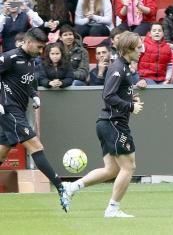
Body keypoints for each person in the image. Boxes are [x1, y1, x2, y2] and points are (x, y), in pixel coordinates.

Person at [62, 32, 144, 218]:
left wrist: (132, 97)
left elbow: (119, 92)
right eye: (138, 47)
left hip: (108, 123)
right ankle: (112, 209)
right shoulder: (118, 68)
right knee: (129, 167)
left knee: (112, 170)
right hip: (113, 123)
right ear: (128, 48)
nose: (141, 50)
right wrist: (130, 106)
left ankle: (72, 187)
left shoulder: (124, 67)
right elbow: (108, 95)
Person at [0, 27, 71, 210]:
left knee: (4, 149)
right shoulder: (10, 58)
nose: (41, 52)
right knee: (36, 146)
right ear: (28, 41)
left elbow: (28, 81)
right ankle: (61, 187)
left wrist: (34, 95)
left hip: (19, 109)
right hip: (8, 110)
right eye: (39, 47)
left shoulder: (32, 60)